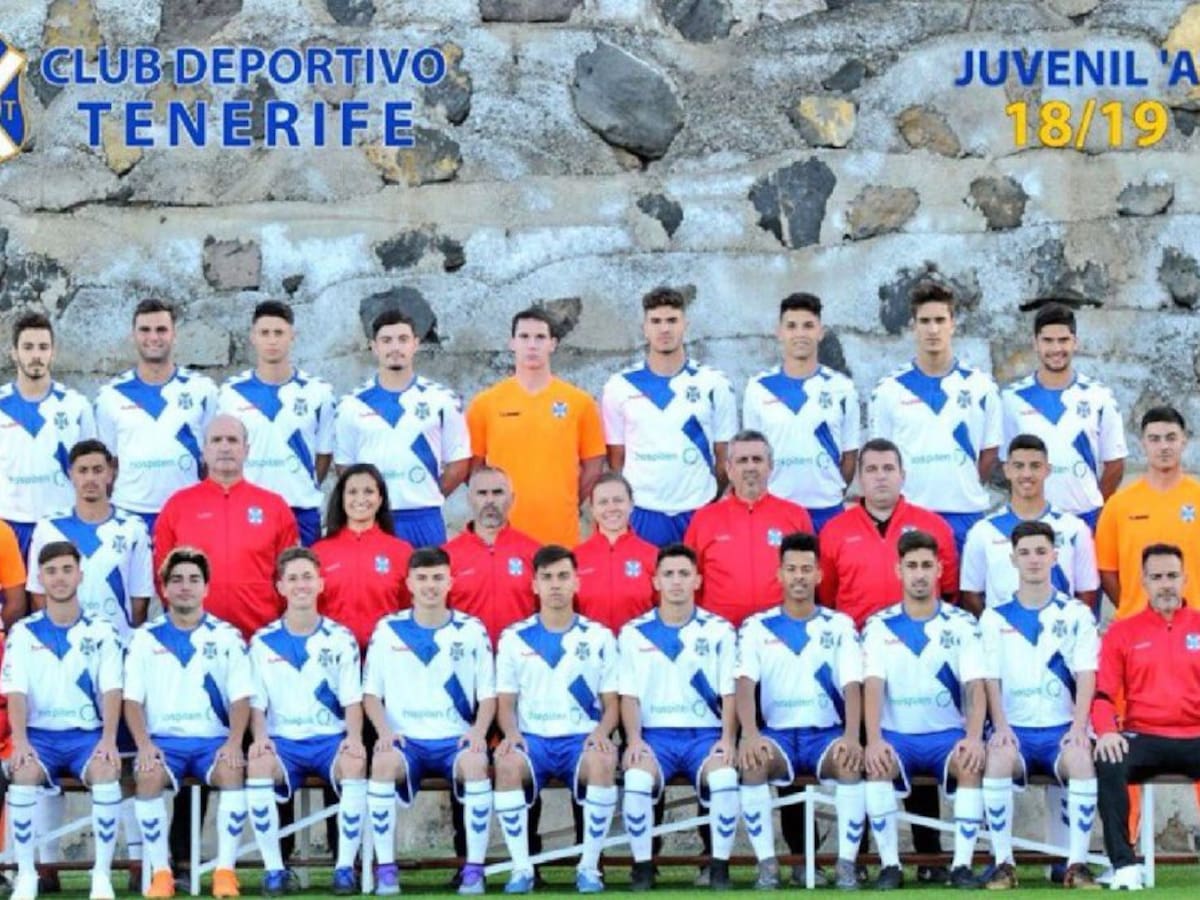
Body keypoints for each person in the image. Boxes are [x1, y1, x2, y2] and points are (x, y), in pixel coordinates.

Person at [362, 547, 496, 896]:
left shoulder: (471, 630)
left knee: (477, 763)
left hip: (456, 740)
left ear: (451, 581)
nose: (430, 586)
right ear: (409, 583)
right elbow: (370, 694)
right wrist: (384, 732)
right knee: (382, 762)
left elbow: (489, 694)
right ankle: (387, 869)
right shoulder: (388, 630)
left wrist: (479, 732)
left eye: (437, 578)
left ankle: (474, 870)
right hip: (407, 741)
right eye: (422, 578)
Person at [736, 532, 865, 890]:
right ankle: (767, 866)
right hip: (777, 734)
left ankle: (846, 865)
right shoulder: (757, 627)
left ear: (819, 575)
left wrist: (853, 737)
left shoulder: (838, 626)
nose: (799, 576)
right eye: (791, 569)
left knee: (850, 761)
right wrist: (749, 734)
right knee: (752, 761)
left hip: (825, 734)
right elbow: (744, 684)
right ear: (779, 574)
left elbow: (852, 685)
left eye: (806, 569)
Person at [861, 530, 987, 890]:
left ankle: (961, 865)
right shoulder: (879, 625)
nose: (919, 573)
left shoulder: (961, 624)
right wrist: (874, 740)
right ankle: (890, 867)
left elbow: (975, 686)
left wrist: (974, 738)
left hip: (946, 735)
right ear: (898, 570)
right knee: (878, 764)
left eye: (926, 566)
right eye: (911, 565)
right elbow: (873, 686)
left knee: (970, 762)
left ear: (939, 570)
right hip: (897, 736)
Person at [977, 521, 1100, 890]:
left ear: (1055, 556)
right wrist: (1000, 727)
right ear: (1013, 559)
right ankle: (1004, 865)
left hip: (1061, 728)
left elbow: (1086, 675)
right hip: (1015, 729)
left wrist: (1079, 729)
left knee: (1081, 760)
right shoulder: (994, 617)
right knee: (998, 759)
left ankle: (1076, 865)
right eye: (1025, 553)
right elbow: (990, 679)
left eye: (1041, 552)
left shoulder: (1076, 614)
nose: (1034, 560)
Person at [123, 547, 251, 899]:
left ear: (206, 588)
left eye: (194, 580)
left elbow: (241, 698)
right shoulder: (145, 638)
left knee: (232, 771)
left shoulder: (226, 636)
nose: (185, 587)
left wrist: (234, 742)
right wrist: (145, 745)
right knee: (147, 774)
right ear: (164, 588)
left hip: (213, 741)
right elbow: (131, 700)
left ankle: (225, 872)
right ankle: (161, 874)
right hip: (164, 741)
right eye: (177, 580)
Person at [492, 545, 620, 894]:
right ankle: (522, 869)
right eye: (547, 578)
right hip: (533, 739)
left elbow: (612, 703)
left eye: (563, 576)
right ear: (534, 585)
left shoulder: (598, 637)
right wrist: (511, 733)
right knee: (505, 764)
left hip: (580, 739)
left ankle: (590, 868)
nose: (555, 585)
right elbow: (506, 702)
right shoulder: (514, 638)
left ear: (577, 582)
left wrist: (602, 732)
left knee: (603, 760)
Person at [1, 541, 123, 900]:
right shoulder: (24, 633)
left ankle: (100, 876)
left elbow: (111, 690)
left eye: (67, 570)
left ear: (80, 574)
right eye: (51, 571)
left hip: (87, 736)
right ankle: (27, 875)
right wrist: (20, 741)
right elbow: (16, 693)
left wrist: (110, 740)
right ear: (40, 577)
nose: (59, 578)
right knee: (22, 774)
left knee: (106, 772)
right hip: (40, 737)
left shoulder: (102, 630)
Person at [617, 544, 740, 892]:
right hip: (655, 737)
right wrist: (635, 739)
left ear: (697, 580)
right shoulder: (633, 633)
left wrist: (727, 740)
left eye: (684, 574)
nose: (676, 582)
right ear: (655, 581)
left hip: (705, 735)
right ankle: (642, 867)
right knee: (638, 781)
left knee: (725, 777)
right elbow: (629, 695)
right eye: (668, 574)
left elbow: (729, 692)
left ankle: (719, 866)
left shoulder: (719, 630)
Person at [246, 548, 367, 897]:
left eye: (308, 577)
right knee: (258, 764)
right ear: (280, 587)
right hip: (284, 741)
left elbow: (351, 699)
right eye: (293, 578)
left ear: (320, 584)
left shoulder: (340, 638)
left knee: (356, 761)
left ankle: (345, 868)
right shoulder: (263, 641)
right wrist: (260, 737)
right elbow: (258, 703)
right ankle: (274, 871)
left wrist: (355, 737)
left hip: (330, 739)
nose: (301, 585)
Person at [1092, 543, 1200, 891]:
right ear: (1144, 581)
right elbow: (1103, 695)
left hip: (1196, 734)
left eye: (1172, 576)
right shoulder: (1123, 632)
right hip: (1144, 735)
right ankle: (1124, 865)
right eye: (1157, 577)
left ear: (1185, 578)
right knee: (1108, 759)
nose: (1165, 584)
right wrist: (1107, 731)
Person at [868, 283, 1002, 554]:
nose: (933, 330)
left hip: (966, 514)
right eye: (925, 321)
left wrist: (961, 483)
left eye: (940, 320)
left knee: (969, 597)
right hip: (911, 517)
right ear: (913, 326)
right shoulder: (889, 391)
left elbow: (989, 454)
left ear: (953, 324)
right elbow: (880, 458)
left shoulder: (980, 387)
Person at [600, 288, 736, 546]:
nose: (664, 329)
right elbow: (616, 460)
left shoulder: (713, 383)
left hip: (698, 509)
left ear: (685, 325)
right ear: (645, 328)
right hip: (643, 511)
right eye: (656, 321)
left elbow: (723, 458)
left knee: (701, 584)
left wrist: (706, 497)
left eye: (672, 320)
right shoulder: (620, 386)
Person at [466, 307, 605, 547]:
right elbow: (473, 469)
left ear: (553, 344)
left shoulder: (579, 402)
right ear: (512, 343)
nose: (532, 345)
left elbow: (594, 465)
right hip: (503, 534)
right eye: (524, 337)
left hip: (560, 533)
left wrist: (567, 502)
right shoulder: (485, 404)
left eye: (540, 337)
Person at [154, 414, 299, 639]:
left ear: (246, 449)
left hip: (259, 638)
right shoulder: (178, 506)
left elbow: (290, 574)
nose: (224, 447)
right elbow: (161, 573)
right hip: (195, 637)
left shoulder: (274, 506)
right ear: (204, 450)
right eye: (216, 440)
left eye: (232, 440)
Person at [333, 309, 470, 548]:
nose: (395, 347)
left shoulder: (441, 399)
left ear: (415, 344)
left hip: (424, 517)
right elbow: (345, 466)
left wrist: (428, 493)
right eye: (386, 340)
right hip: (374, 519)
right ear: (374, 346)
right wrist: (368, 501)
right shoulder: (351, 404)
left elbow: (459, 463)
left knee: (428, 584)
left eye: (403, 339)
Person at [94, 299, 217, 535]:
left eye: (161, 330)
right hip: (130, 513)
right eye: (145, 330)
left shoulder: (202, 390)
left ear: (174, 335)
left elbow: (210, 460)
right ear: (133, 336)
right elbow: (109, 464)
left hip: (187, 512)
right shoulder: (111, 396)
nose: (153, 337)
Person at [218, 301, 335, 547]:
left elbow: (324, 455)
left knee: (301, 582)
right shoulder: (231, 393)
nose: (272, 341)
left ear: (292, 336)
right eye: (265, 333)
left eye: (279, 333)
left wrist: (300, 482)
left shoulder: (318, 392)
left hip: (300, 508)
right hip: (247, 508)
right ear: (253, 337)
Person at [1000, 302, 1126, 531]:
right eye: (1048, 341)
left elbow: (1115, 463)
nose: (1056, 348)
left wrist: (1094, 506)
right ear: (1035, 343)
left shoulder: (1099, 396)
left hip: (1086, 519)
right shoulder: (1012, 399)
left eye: (1063, 340)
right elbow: (1006, 463)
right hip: (1032, 524)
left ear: (1075, 342)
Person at [742, 293, 860, 532]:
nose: (800, 334)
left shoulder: (841, 387)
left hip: (827, 510)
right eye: (792, 326)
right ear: (780, 332)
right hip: (775, 508)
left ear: (820, 332)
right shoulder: (758, 388)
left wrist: (829, 488)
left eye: (808, 326)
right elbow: (751, 452)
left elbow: (850, 457)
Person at [819, 438, 958, 628]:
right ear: (859, 479)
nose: (880, 476)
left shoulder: (934, 526)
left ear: (903, 475)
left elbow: (950, 590)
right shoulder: (834, 530)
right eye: (871, 469)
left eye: (888, 468)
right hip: (859, 642)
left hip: (922, 641)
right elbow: (827, 595)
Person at [27, 439, 153, 644]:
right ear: (71, 475)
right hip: (65, 644)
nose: (90, 478)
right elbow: (38, 592)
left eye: (97, 470)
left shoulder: (133, 528)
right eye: (83, 471)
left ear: (110, 474)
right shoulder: (48, 528)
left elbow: (139, 599)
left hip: (117, 643)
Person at [683, 430, 813, 627]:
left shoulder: (796, 516)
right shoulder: (704, 519)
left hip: (782, 630)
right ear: (728, 468)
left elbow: (811, 577)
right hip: (720, 630)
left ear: (770, 466)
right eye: (742, 460)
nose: (750, 466)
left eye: (757, 459)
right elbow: (690, 578)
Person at [960, 434, 1098, 616]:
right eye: (1018, 466)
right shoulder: (983, 531)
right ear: (1006, 470)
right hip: (1004, 639)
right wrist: (1000, 628)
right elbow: (971, 594)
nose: (1026, 474)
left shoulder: (1074, 529)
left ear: (1047, 470)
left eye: (1035, 466)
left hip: (1059, 639)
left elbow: (1086, 592)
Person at [0, 311, 95, 560]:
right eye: (28, 347)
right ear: (14, 353)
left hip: (60, 524)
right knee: (12, 600)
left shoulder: (76, 406)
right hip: (9, 526)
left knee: (57, 600)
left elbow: (93, 467)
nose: (36, 356)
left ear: (53, 352)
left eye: (43, 347)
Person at [1095, 405, 1200, 618]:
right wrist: (1133, 609)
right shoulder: (1119, 505)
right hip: (1137, 630)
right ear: (1143, 444)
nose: (1164, 446)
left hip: (1193, 628)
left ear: (1184, 441)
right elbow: (1106, 570)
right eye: (1154, 439)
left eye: (1171, 438)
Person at [312, 464, 412, 651]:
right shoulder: (319, 552)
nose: (360, 499)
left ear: (380, 498)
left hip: (385, 654)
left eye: (368, 491)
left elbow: (409, 609)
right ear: (341, 498)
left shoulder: (401, 552)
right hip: (333, 654)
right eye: (352, 492)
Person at [444, 466, 539, 646]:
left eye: (498, 493)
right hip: (467, 657)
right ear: (469, 499)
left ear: (512, 499)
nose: (490, 500)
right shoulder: (447, 556)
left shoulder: (534, 552)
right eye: (482, 493)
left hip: (520, 657)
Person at [573, 473, 656, 633]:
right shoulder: (575, 558)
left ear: (631, 504)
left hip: (638, 651)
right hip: (591, 651)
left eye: (618, 500)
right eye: (603, 502)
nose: (611, 508)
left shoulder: (653, 556)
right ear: (593, 509)